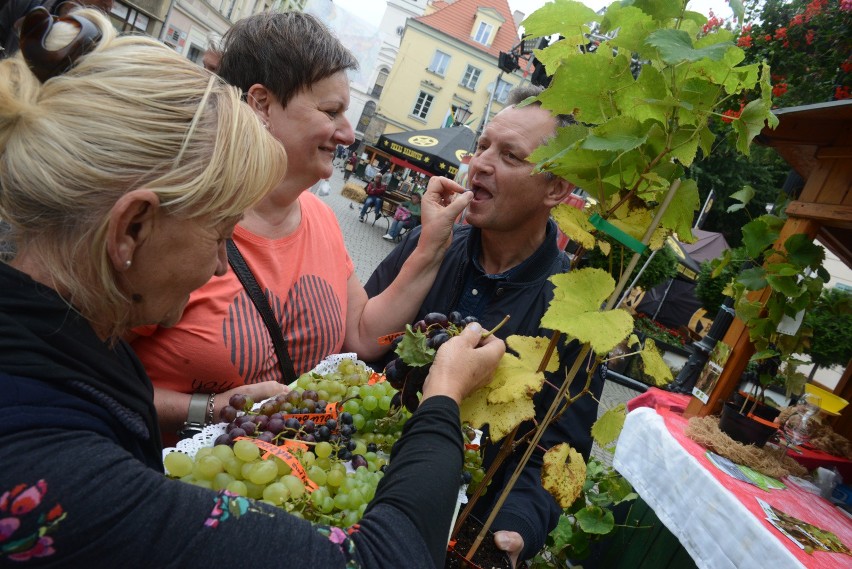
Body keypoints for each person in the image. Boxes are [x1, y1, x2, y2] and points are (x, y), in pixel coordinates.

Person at [0, 8, 505, 567]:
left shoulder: (58, 350)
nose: (222, 267)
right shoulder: (67, 475)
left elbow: (360, 331)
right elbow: (381, 560)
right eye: (220, 233)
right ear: (132, 228)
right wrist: (444, 397)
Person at [129, 11, 472, 443]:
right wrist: (213, 410)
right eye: (331, 112)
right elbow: (86, 379)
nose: (348, 134)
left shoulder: (322, 217)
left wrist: (431, 246)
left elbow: (364, 334)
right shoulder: (180, 222)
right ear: (261, 103)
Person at [365, 85, 603, 566]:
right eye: (482, 146)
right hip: (355, 474)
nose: (480, 164)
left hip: (453, 532)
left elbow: (558, 452)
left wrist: (517, 525)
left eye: (510, 155)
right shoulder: (425, 244)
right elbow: (355, 352)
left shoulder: (573, 316)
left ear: (556, 188)